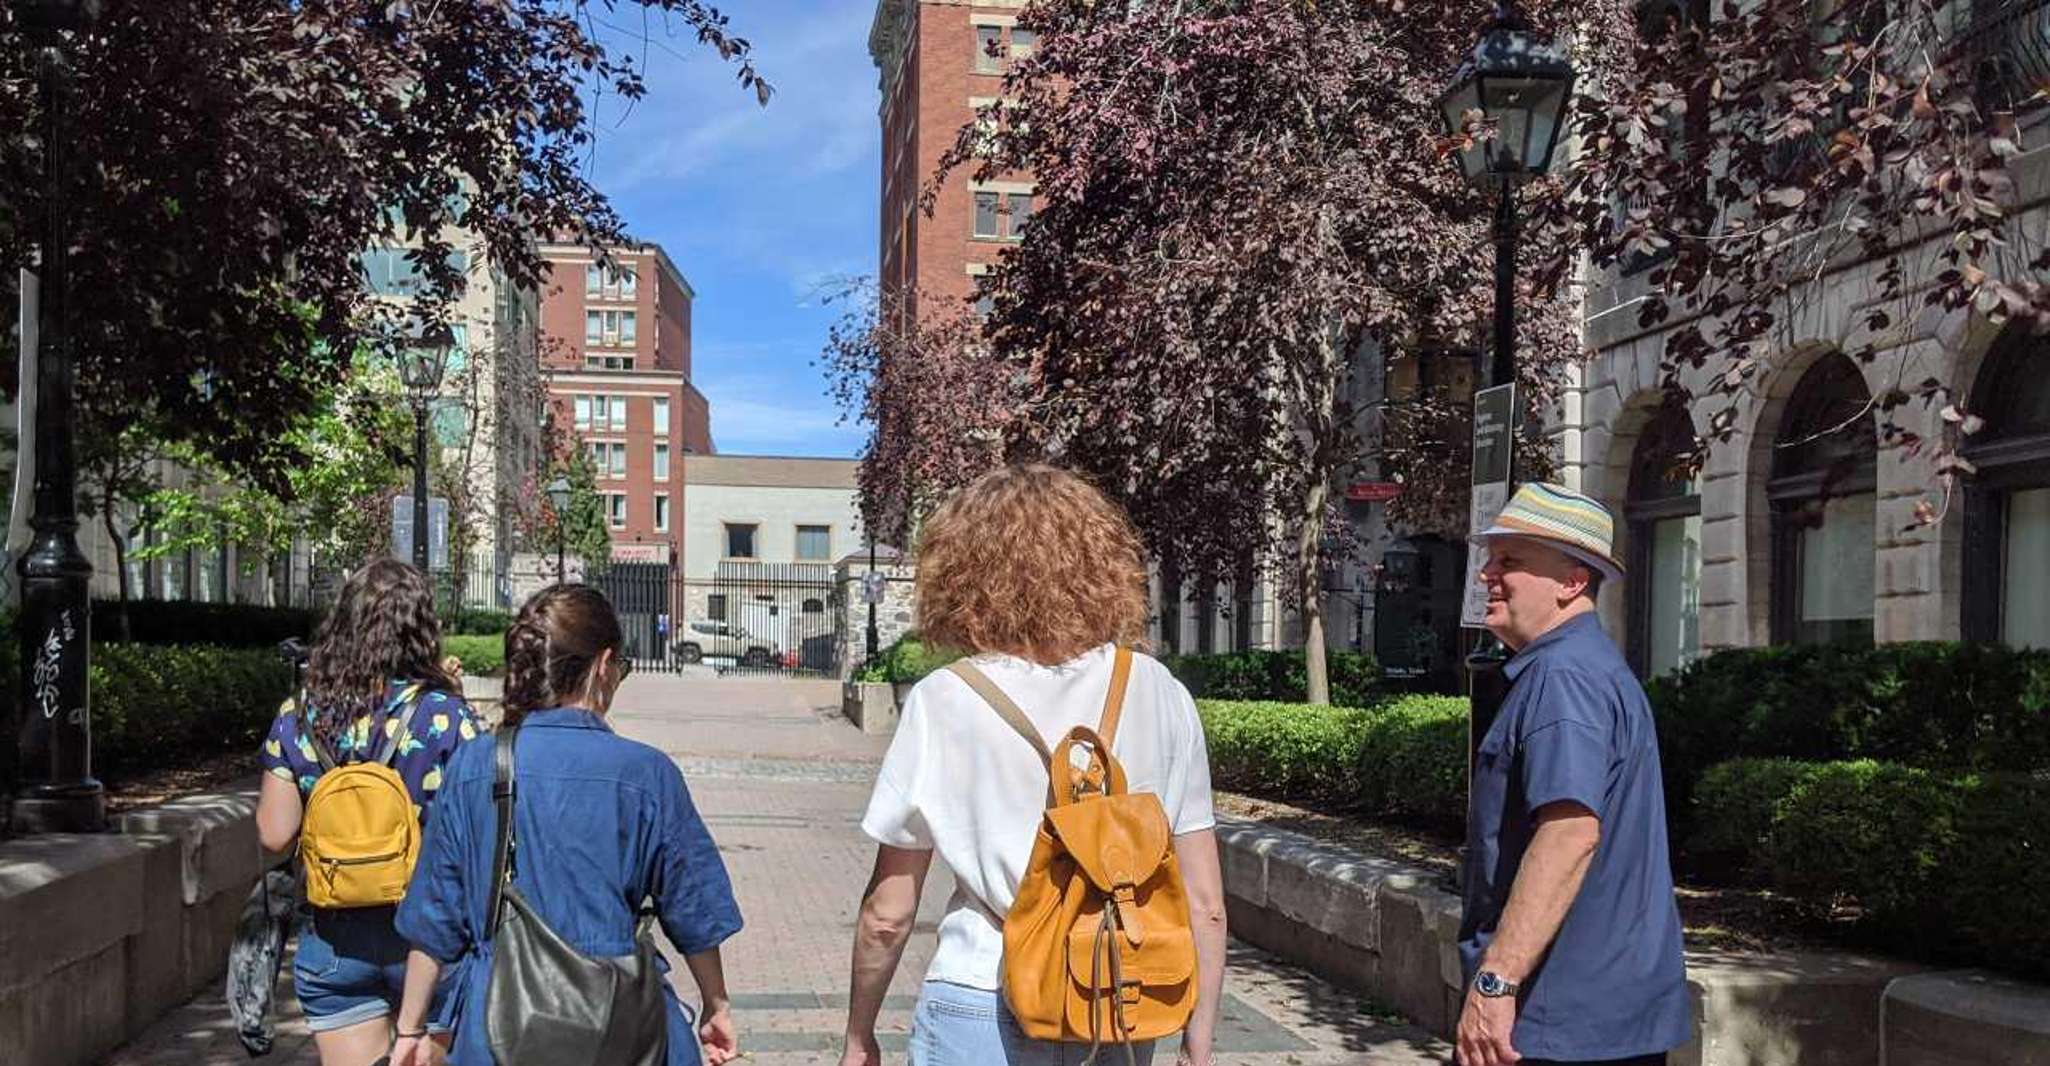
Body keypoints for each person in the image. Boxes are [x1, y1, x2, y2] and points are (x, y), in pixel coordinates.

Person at [841, 464, 1229, 1066]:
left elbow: (888, 914)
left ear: (963, 575)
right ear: (1103, 567)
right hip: (1114, 995)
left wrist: (859, 1035)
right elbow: (1206, 902)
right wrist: (1197, 1044)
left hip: (981, 989)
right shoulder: (1159, 692)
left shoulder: (945, 698)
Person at [389, 583, 744, 1066]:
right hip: (622, 1021)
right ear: (603, 665)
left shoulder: (475, 765)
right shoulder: (646, 773)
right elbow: (694, 908)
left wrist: (411, 1027)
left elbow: (435, 917)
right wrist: (716, 1005)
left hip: (499, 1021)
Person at [1456, 483, 1692, 1066]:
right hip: (1593, 1019)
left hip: (1559, 1022)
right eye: (1490, 559)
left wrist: (1495, 982)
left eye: (1510, 561)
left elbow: (1569, 834)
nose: (1487, 574)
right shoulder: (1584, 668)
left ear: (1572, 582)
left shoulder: (1563, 677)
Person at [255, 558, 483, 1066]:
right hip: (429, 939)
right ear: (422, 630)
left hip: (336, 936)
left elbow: (274, 834)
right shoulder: (447, 716)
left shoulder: (299, 714)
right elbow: (476, 832)